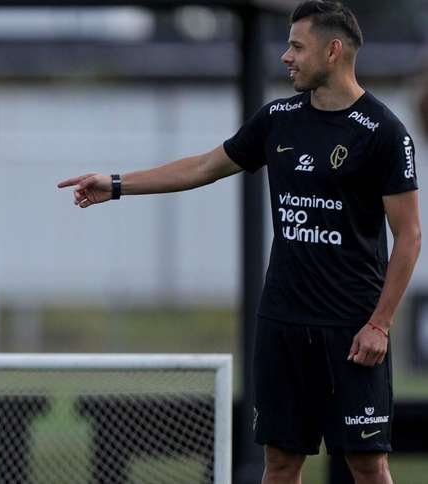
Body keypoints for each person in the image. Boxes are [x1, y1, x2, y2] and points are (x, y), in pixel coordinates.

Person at [59, 1, 420, 483]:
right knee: (281, 462)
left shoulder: (384, 133)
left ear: (333, 51)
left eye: (296, 46)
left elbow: (410, 235)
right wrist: (118, 184)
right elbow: (205, 166)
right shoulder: (278, 119)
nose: (285, 57)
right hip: (283, 323)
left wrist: (380, 324)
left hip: (352, 330)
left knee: (367, 465)